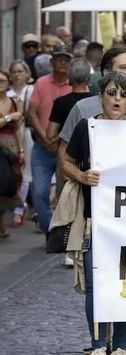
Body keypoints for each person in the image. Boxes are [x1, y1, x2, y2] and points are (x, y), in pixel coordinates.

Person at [60, 72, 126, 355]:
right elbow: (66, 162)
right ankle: (97, 345)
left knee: (125, 281)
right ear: (101, 95)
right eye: (111, 92)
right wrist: (81, 176)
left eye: (123, 94)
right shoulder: (88, 127)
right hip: (94, 218)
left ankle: (121, 345)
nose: (117, 99)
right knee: (96, 283)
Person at [27, 44, 72, 233]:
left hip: (65, 148)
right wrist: (45, 137)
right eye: (58, 58)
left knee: (66, 194)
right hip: (41, 147)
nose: (62, 62)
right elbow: (32, 113)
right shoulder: (41, 82)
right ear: (51, 62)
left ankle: (63, 232)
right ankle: (49, 231)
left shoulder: (74, 85)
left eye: (66, 59)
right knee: (39, 193)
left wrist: (56, 139)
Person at [7, 60, 34, 227]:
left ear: (26, 73)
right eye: (14, 71)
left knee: (24, 172)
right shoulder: (6, 92)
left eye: (20, 71)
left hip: (25, 133)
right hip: (8, 136)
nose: (17, 74)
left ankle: (18, 210)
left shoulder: (30, 90)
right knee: (11, 173)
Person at [47, 58, 94, 155]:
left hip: (67, 154)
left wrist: (62, 136)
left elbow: (50, 135)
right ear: (88, 77)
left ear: (70, 76)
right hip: (92, 153)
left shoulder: (60, 102)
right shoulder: (97, 101)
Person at [0, 67, 24, 238]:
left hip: (12, 150)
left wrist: (21, 149)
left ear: (8, 82)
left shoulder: (13, 101)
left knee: (10, 186)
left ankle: (1, 221)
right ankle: (1, 226)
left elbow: (17, 129)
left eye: (1, 80)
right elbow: (11, 120)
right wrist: (9, 117)